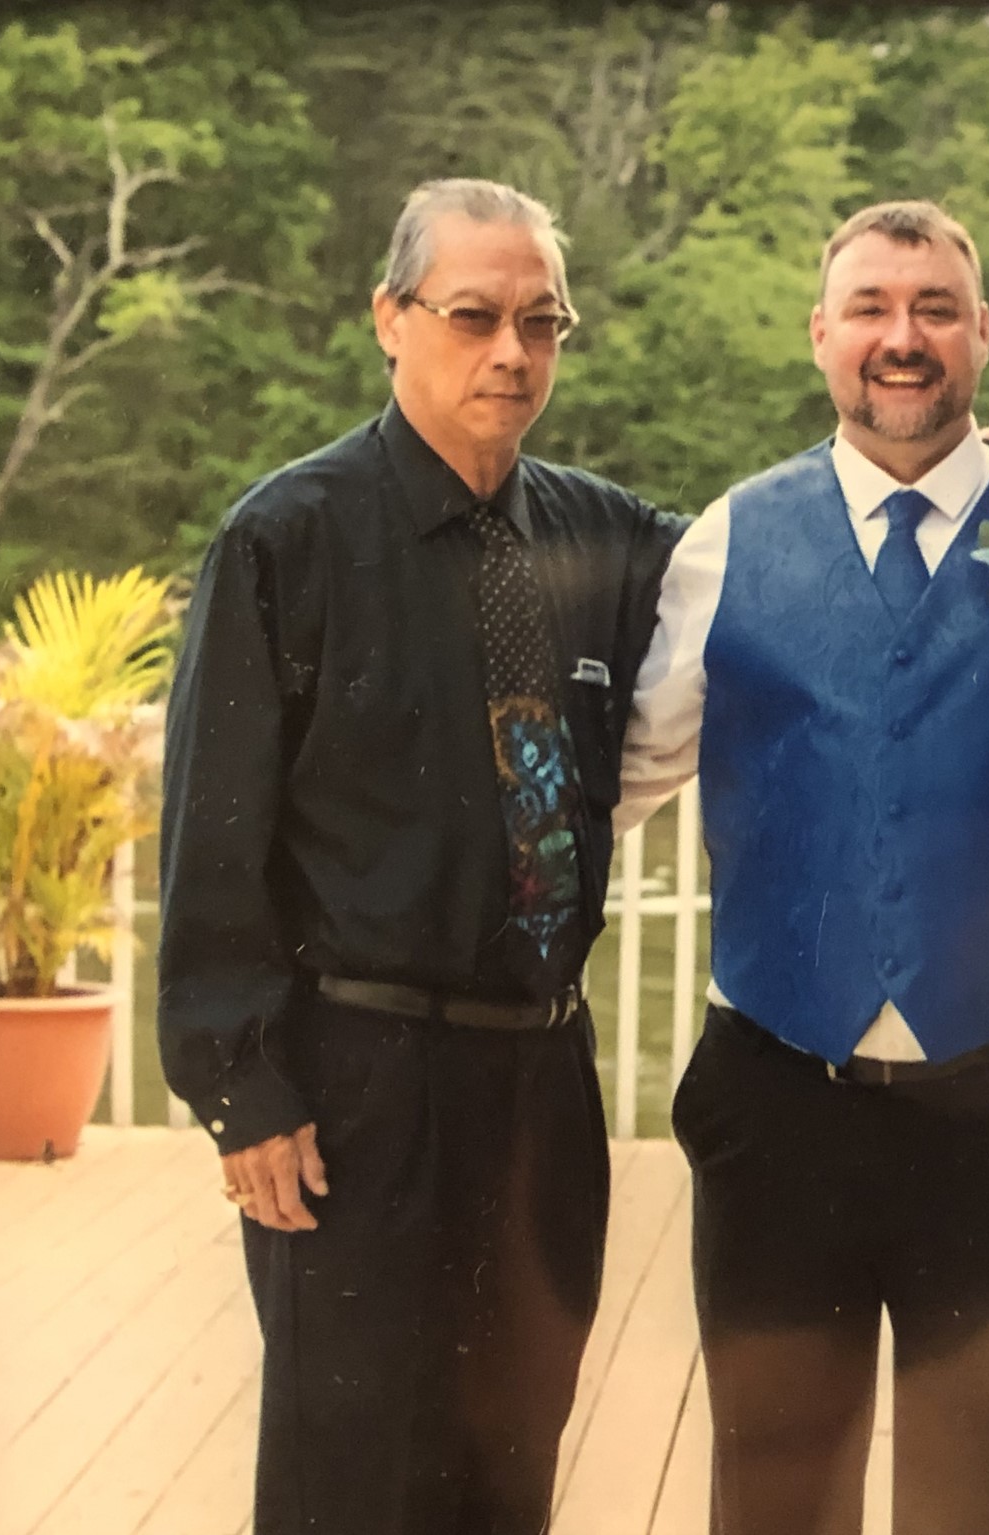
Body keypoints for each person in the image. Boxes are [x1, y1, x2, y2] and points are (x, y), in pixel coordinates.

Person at [617, 199, 989, 1535]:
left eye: (934, 308)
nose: (902, 336)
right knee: (772, 1495)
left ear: (982, 332)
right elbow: (627, 773)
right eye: (870, 307)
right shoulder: (728, 538)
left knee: (980, 1502)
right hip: (778, 1100)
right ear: (819, 333)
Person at [158, 178, 683, 1534]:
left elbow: (788, 565)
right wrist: (242, 1085)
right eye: (473, 316)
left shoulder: (609, 538)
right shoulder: (287, 538)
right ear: (389, 318)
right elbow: (213, 828)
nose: (512, 351)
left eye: (541, 322)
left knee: (512, 1467)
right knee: (352, 1480)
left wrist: (977, 461)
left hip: (542, 1087)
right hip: (358, 1092)